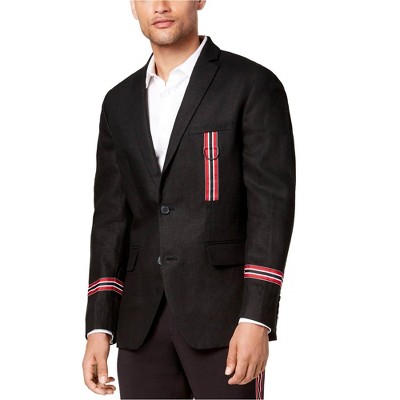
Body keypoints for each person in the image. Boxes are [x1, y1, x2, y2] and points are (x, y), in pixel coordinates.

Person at [82, 1, 296, 399]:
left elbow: (271, 209)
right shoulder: (118, 102)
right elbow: (111, 219)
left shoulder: (251, 84)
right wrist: (99, 325)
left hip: (226, 317)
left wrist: (257, 317)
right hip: (140, 322)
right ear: (133, 7)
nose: (160, 6)